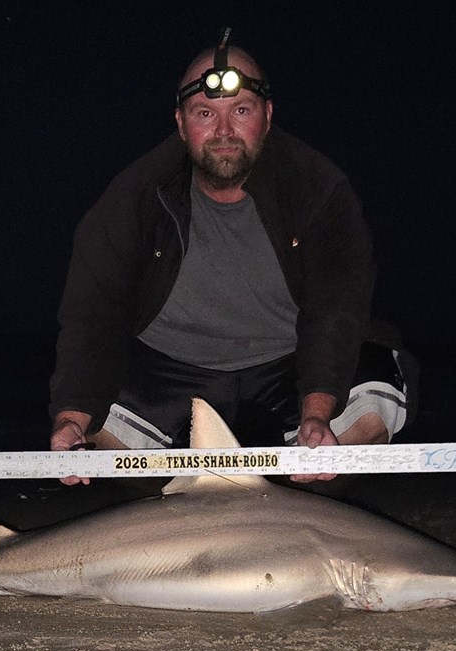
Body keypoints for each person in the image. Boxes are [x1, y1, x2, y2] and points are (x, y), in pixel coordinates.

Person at [49, 29, 417, 485]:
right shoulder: (132, 198)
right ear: (181, 123)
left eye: (240, 110)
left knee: (375, 395)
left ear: (267, 116)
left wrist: (318, 413)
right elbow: (92, 317)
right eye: (205, 113)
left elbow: (336, 310)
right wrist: (71, 419)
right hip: (166, 367)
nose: (223, 131)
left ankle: (296, 478)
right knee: (95, 425)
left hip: (290, 359)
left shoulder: (319, 189)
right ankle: (176, 496)